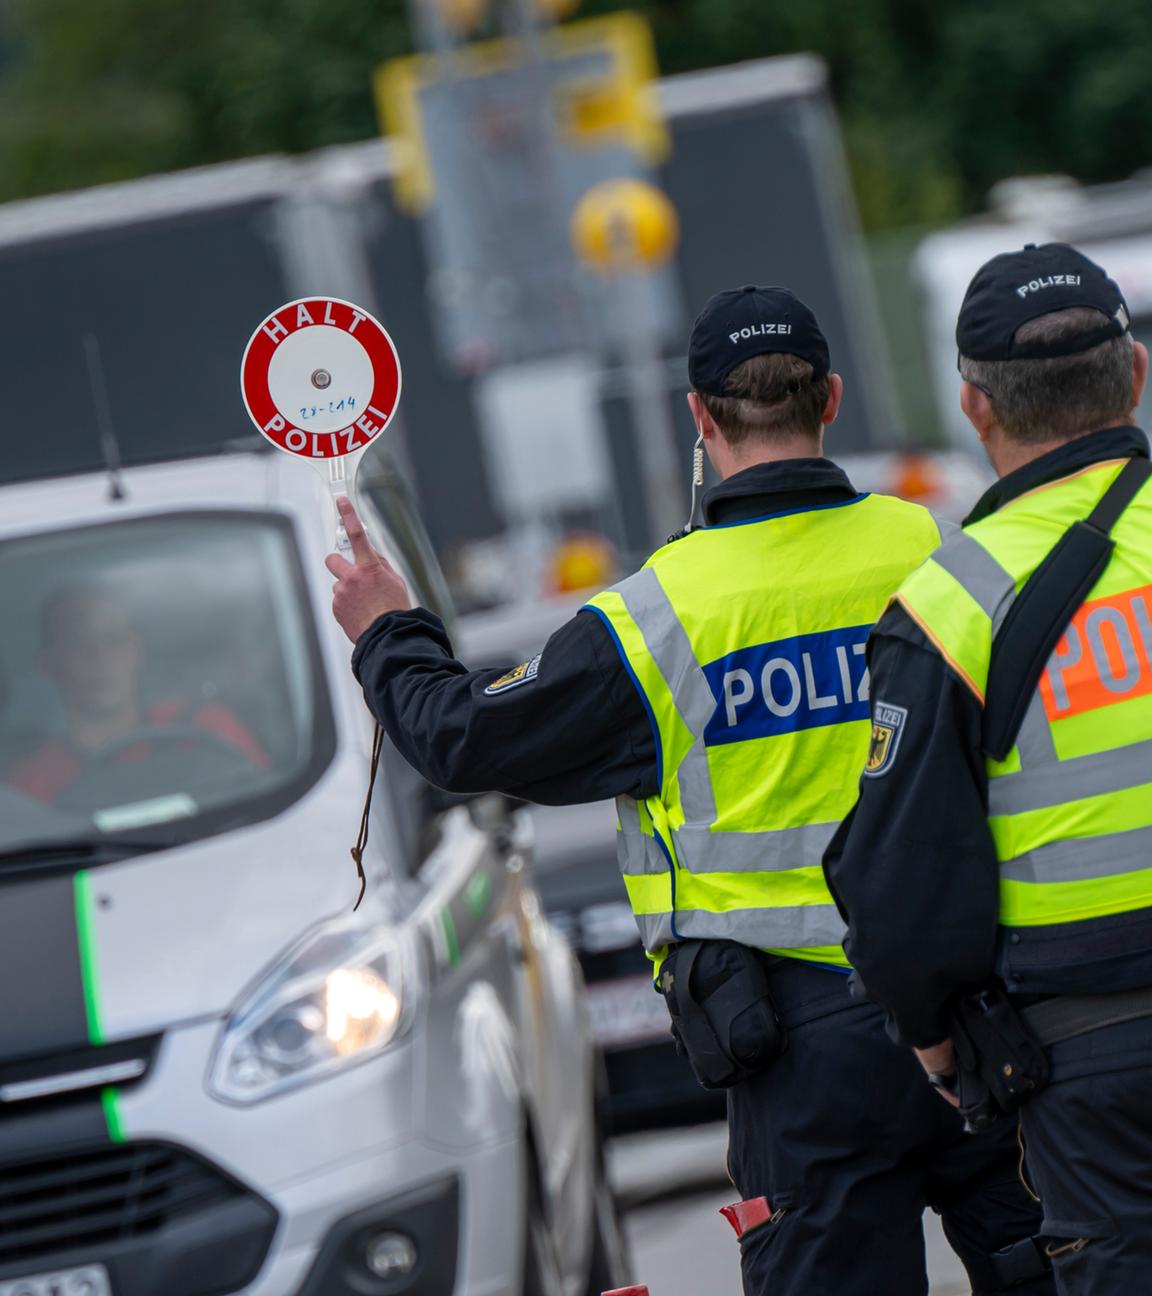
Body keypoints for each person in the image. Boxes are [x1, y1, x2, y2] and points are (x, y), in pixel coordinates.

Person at [326, 286, 1052, 1296]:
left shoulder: (655, 617)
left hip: (797, 1055)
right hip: (977, 1011)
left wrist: (386, 630)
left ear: (700, 417)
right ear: (831, 397)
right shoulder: (938, 551)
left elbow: (462, 738)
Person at [825, 243, 1152, 1293]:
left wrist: (933, 1040)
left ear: (974, 405)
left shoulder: (949, 604)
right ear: (1135, 372)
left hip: (1088, 1052)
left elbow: (902, 876)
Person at [9, 582, 267, 803]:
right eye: (78, 644)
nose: (101, 658)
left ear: (136, 650)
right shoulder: (31, 784)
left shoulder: (205, 727)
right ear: (50, 665)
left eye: (113, 640)